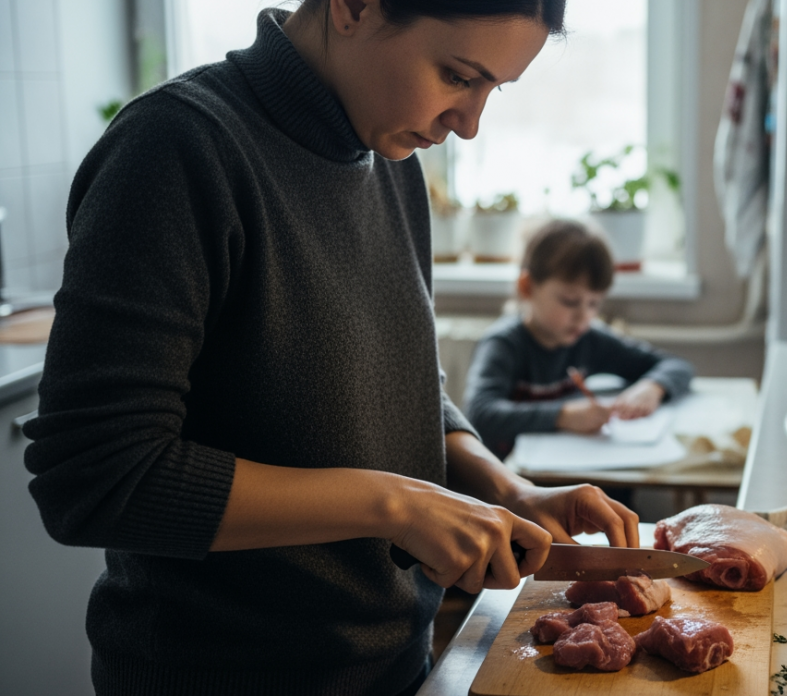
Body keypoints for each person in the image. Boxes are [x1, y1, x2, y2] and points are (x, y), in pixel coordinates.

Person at [22, 2, 640, 695]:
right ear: (352, 7)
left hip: (388, 667)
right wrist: (395, 506)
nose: (468, 125)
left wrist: (503, 487)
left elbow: (400, 386)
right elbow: (93, 479)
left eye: (493, 89)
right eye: (457, 77)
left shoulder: (389, 155)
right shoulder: (176, 147)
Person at [464, 219, 694, 458]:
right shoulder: (503, 344)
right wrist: (563, 416)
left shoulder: (590, 339)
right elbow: (481, 413)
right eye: (570, 301)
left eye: (594, 303)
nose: (583, 316)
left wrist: (652, 387)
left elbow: (676, 365)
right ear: (527, 287)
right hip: (509, 484)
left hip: (568, 469)